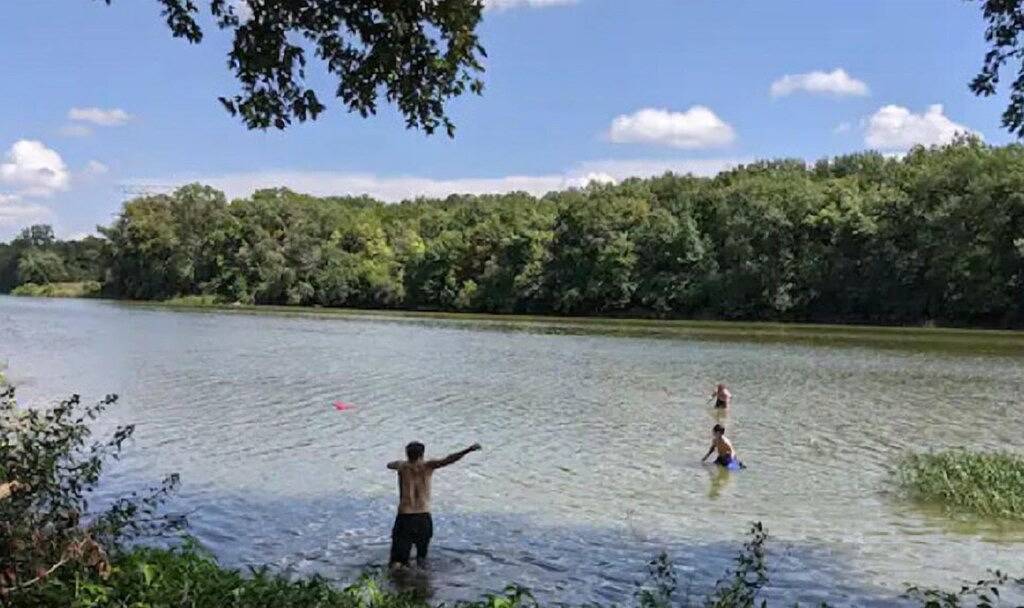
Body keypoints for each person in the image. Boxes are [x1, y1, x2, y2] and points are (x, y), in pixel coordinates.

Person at [387, 441, 481, 569]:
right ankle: (422, 581)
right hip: (424, 517)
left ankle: (398, 582)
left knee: (397, 561)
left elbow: (389, 465)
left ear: (407, 454)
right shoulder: (428, 466)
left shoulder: (402, 467)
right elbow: (449, 459)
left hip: (405, 516)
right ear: (422, 454)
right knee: (421, 558)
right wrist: (468, 450)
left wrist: (401, 463)